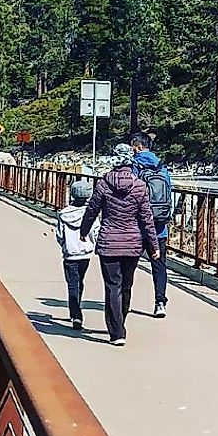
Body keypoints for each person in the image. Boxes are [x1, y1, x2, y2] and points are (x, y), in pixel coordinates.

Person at [81, 146, 158, 346]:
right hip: (133, 243)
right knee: (126, 285)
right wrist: (153, 246)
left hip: (109, 242)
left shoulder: (103, 184)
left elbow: (92, 210)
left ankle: (117, 332)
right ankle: (121, 320)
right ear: (130, 161)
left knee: (112, 287)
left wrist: (83, 231)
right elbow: (146, 219)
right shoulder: (139, 185)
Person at [130, 133, 176, 314]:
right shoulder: (161, 167)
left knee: (128, 266)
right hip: (159, 228)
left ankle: (123, 300)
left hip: (137, 226)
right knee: (159, 265)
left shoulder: (135, 166)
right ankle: (160, 302)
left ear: (138, 147)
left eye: (133, 147)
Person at [56, 176, 97, 333]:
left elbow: (59, 235)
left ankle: (76, 314)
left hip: (70, 253)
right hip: (85, 253)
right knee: (80, 281)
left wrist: (65, 245)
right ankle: (76, 309)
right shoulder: (90, 213)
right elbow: (95, 231)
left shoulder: (63, 214)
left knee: (72, 283)